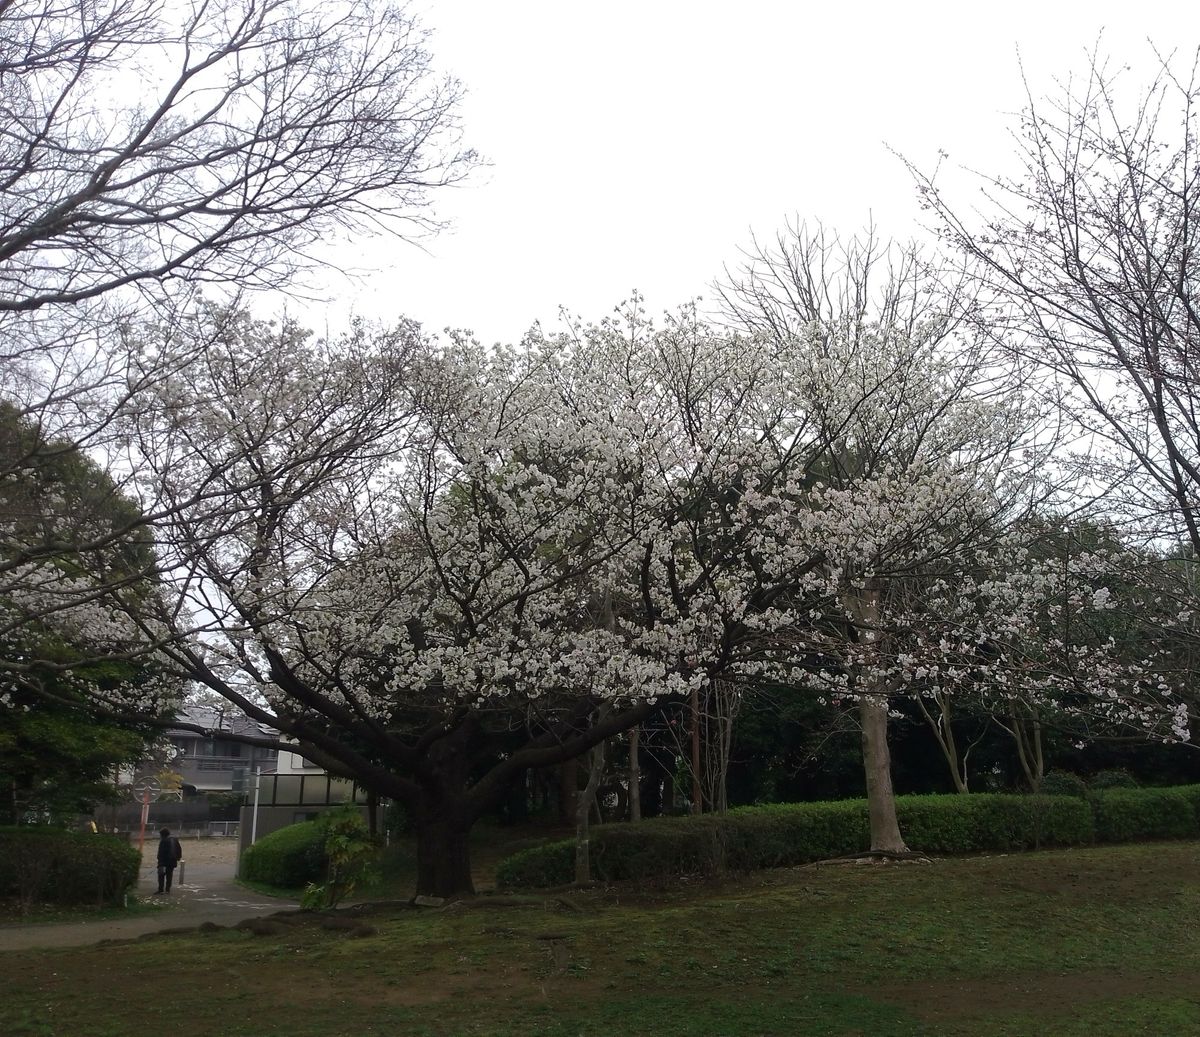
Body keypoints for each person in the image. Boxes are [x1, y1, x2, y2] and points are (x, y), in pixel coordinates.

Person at [155, 827, 184, 894]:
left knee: (161, 875)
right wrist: (178, 858)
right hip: (172, 861)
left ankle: (160, 889)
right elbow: (179, 849)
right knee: (169, 875)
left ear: (162, 835)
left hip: (164, 862)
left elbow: (161, 852)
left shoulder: (163, 841)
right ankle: (168, 889)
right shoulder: (174, 840)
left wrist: (159, 862)